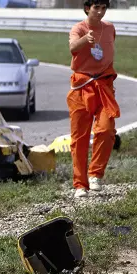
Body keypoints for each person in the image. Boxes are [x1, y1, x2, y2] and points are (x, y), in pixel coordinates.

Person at [67, 0, 120, 198]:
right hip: (81, 88)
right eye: (96, 7)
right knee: (79, 138)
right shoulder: (78, 28)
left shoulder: (110, 29)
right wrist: (84, 41)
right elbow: (73, 47)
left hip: (104, 86)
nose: (100, 12)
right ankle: (80, 184)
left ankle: (95, 174)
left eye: (104, 8)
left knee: (106, 130)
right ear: (87, 7)